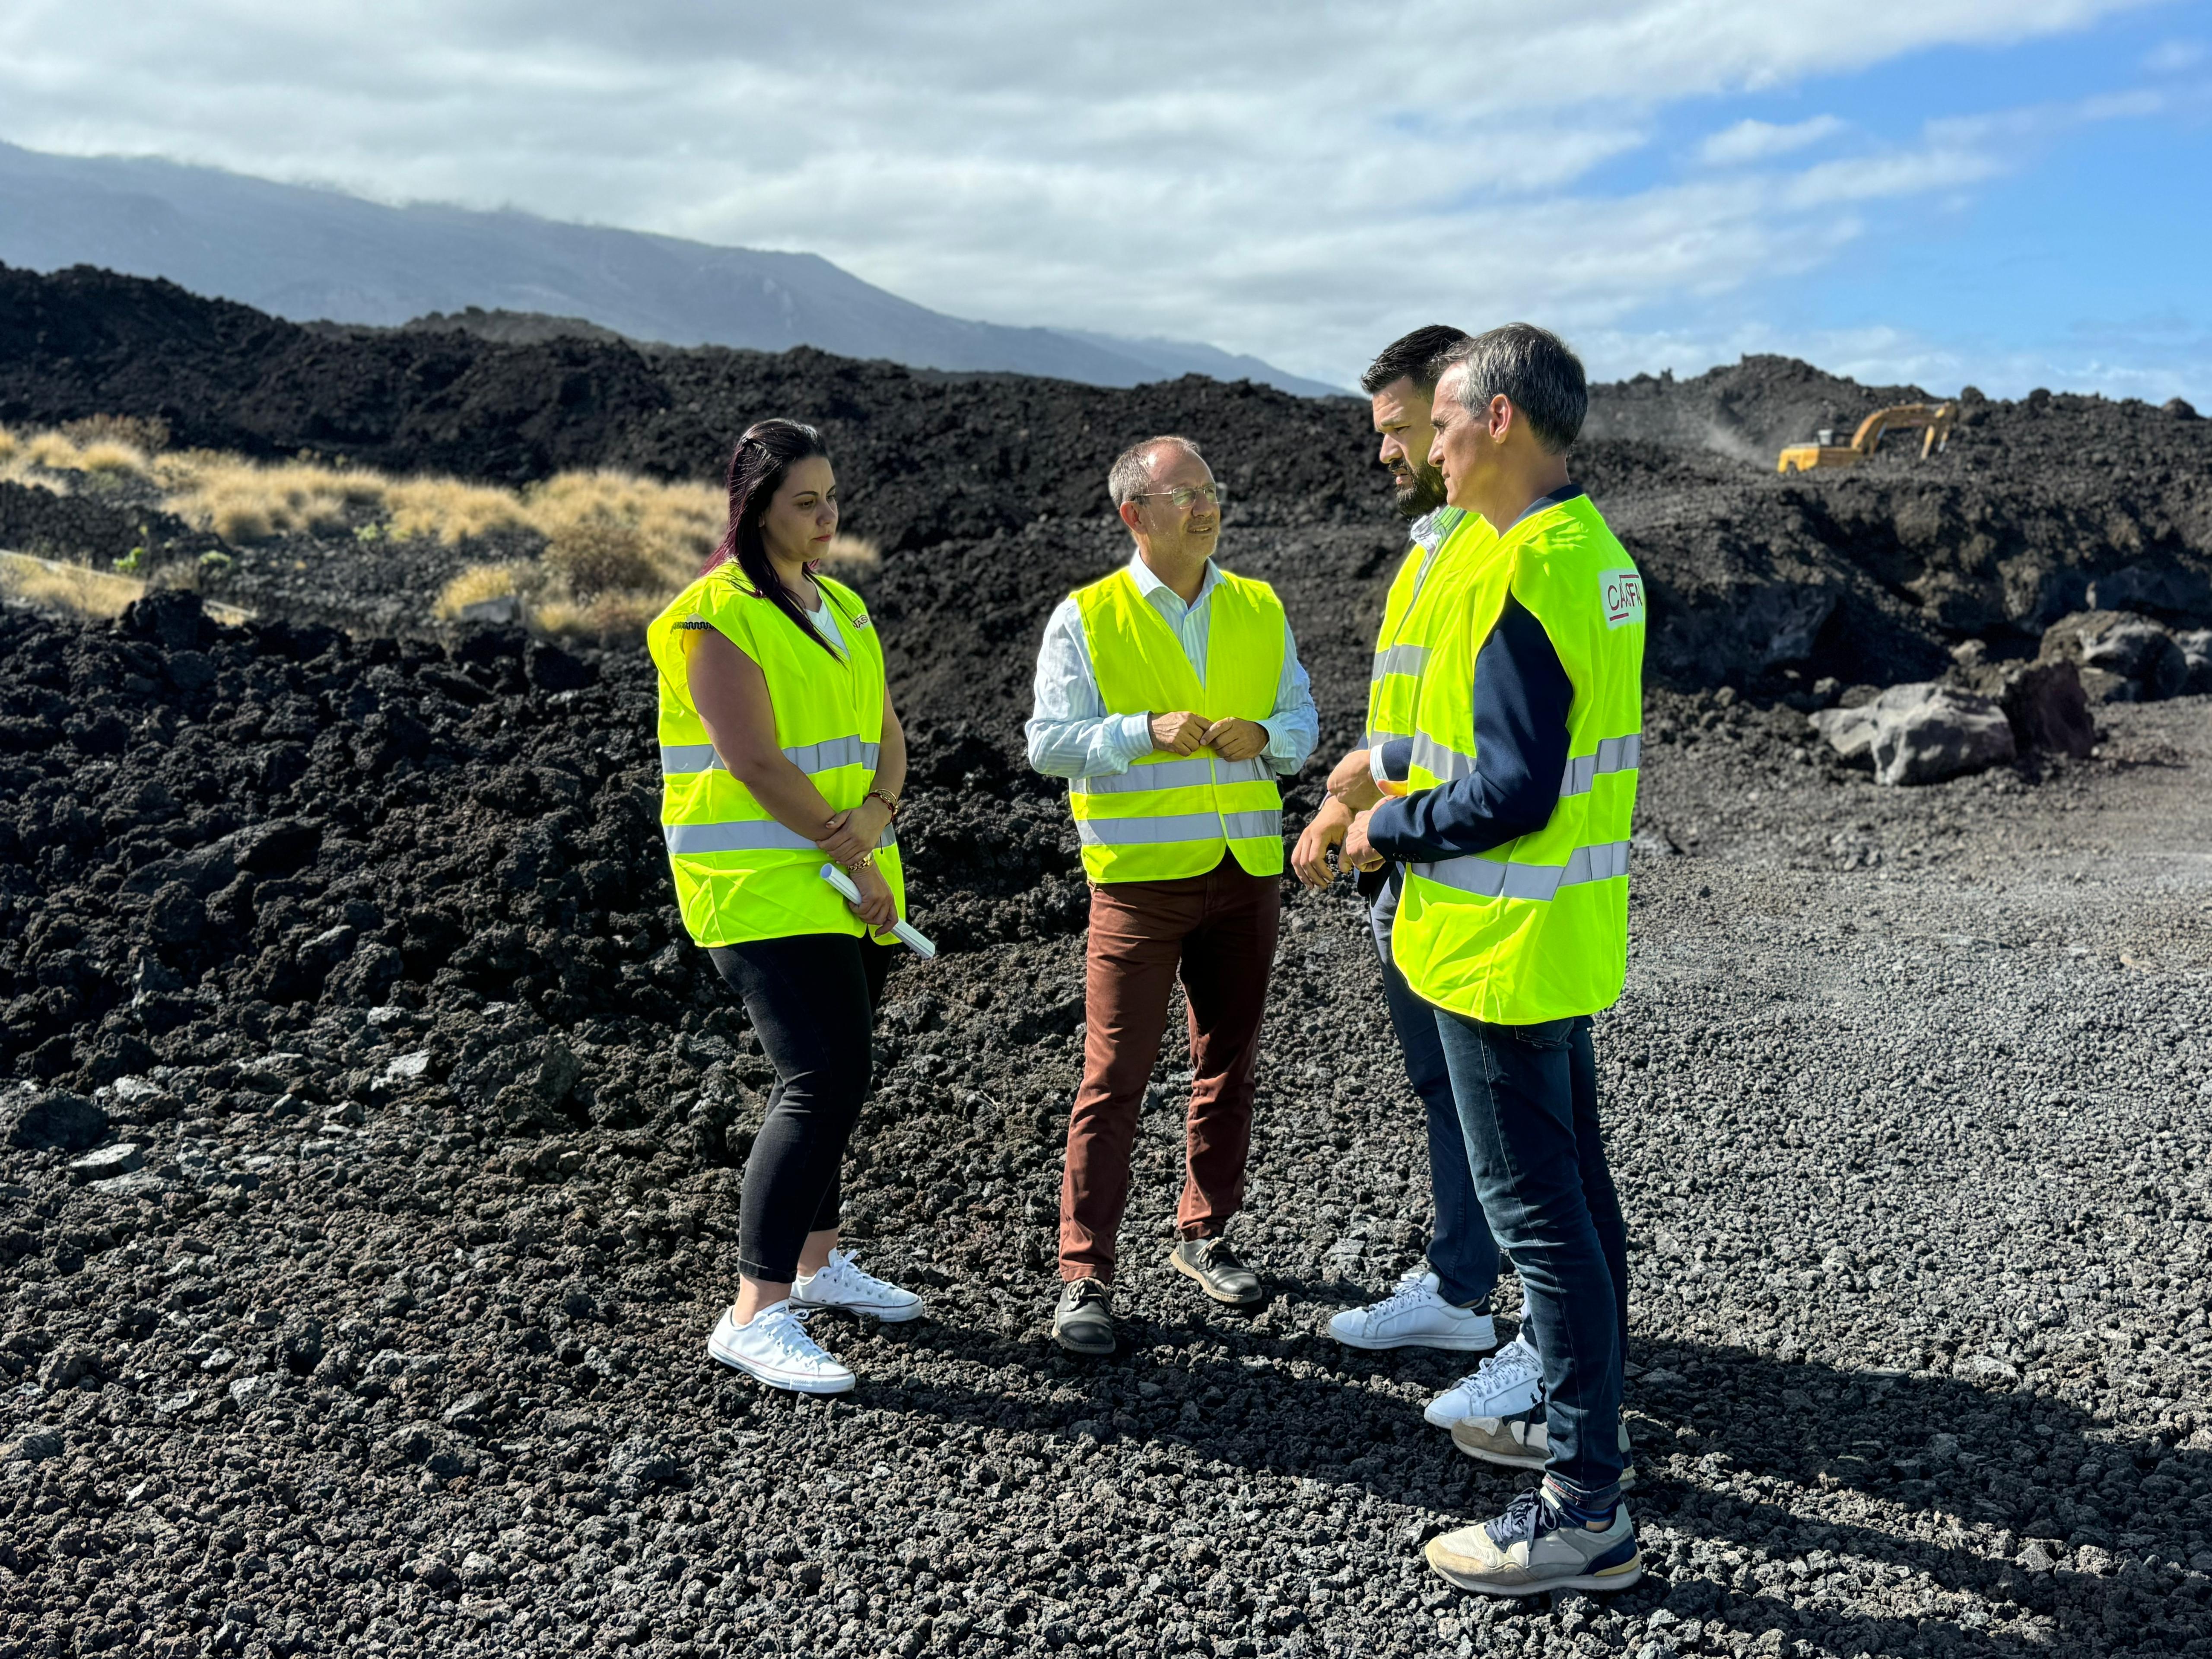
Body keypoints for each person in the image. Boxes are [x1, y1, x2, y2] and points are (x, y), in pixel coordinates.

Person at [1341, 326, 1646, 1597]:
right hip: (1558, 936)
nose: (1436, 447)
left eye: (1448, 422)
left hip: (1498, 943)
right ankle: (1586, 1439)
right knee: (1577, 1202)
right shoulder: (1593, 555)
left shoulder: (1531, 571)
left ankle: (1582, 1508)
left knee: (1540, 1220)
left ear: (1503, 419)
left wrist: (1384, 824)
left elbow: (1514, 788)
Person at [645, 418, 927, 1397]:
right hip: (759, 886)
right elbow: (754, 762)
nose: (827, 517)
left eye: (832, 499)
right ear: (755, 504)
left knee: (839, 1079)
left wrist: (878, 822)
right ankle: (754, 1312)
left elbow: (888, 734)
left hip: (847, 881)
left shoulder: (842, 606)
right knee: (821, 1077)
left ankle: (818, 1266)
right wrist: (854, 848)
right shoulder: (713, 615)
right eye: (806, 501)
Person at [1027, 435, 1317, 1354]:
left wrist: (1266, 735)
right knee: (1112, 1080)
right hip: (1141, 885)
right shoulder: (1086, 618)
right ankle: (1085, 1275)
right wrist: (1140, 733)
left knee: (1228, 1064)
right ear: (1134, 517)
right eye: (1183, 494)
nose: (1205, 506)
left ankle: (1204, 1233)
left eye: (1210, 490)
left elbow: (1304, 726)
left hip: (1245, 873)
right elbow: (1047, 743)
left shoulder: (1260, 607)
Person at [1291, 324, 1506, 1360]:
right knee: (1446, 1094)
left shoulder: (1490, 555)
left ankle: (1522, 1328)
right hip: (1408, 867)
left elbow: (1496, 753)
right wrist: (1347, 803)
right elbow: (1409, 725)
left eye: (1401, 429)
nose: (1386, 453)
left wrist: (1380, 813)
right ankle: (1463, 1288)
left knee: (1504, 1118)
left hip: (1463, 871)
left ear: (1461, 413)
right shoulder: (1428, 555)